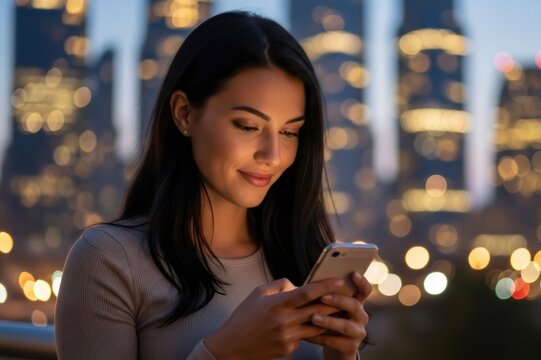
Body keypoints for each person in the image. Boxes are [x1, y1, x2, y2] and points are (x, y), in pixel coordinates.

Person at [55, 11, 371, 360]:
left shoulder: (303, 260)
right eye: (248, 126)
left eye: (289, 132)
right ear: (185, 114)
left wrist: (342, 356)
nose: (272, 154)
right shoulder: (109, 260)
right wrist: (227, 352)